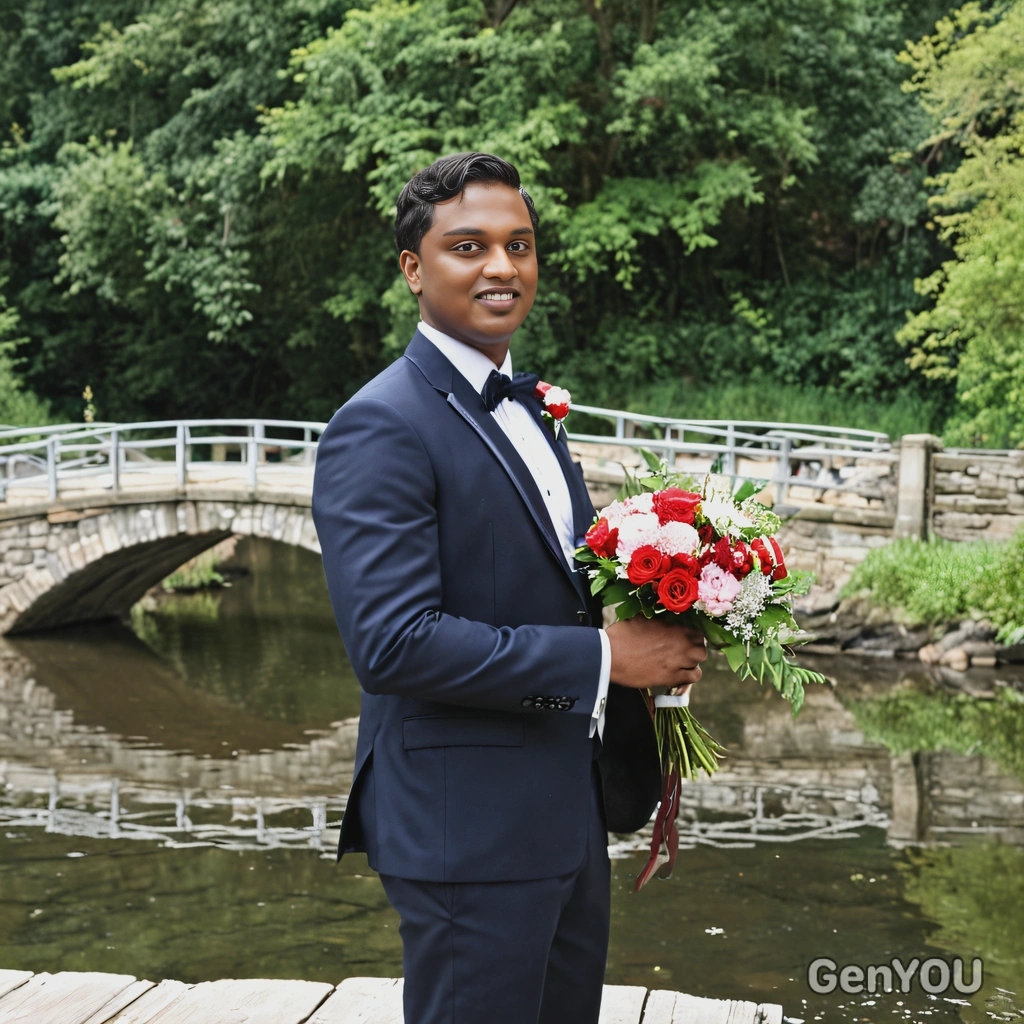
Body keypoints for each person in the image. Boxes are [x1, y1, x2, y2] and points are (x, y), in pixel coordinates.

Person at [311, 151, 707, 1024]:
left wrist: (669, 618)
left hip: (564, 809)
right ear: (414, 269)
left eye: (519, 244)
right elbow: (393, 643)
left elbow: (554, 588)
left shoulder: (527, 405)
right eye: (469, 246)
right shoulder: (380, 424)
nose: (502, 266)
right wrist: (606, 657)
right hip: (466, 830)